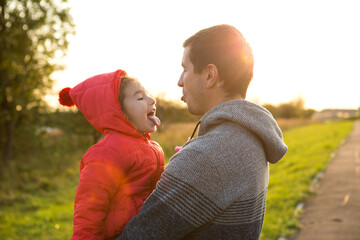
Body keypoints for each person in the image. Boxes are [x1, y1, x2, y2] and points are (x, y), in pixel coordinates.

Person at [117, 24, 288, 240]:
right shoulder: (249, 135)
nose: (180, 81)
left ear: (209, 75)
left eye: (185, 69)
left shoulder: (206, 156)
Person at [58, 69, 165, 240]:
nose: (152, 100)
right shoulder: (107, 153)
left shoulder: (151, 147)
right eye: (140, 98)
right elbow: (89, 210)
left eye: (148, 95)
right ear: (119, 112)